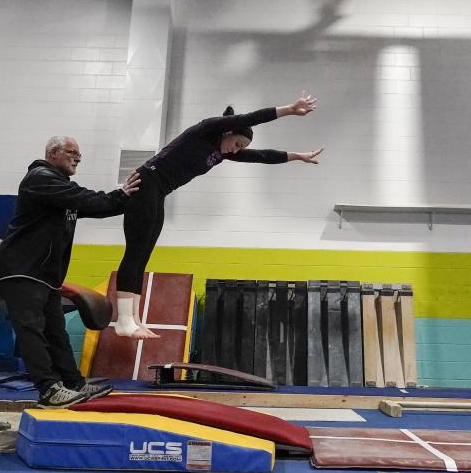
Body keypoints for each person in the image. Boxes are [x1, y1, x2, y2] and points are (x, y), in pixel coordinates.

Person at [112, 92, 324, 339]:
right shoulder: (208, 128)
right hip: (146, 182)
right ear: (228, 131)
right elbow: (252, 117)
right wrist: (289, 109)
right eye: (238, 144)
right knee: (136, 251)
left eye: (241, 148)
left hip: (158, 191)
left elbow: (262, 156)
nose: (237, 151)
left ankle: (134, 319)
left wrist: (296, 156)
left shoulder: (222, 152)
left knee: (144, 253)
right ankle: (123, 321)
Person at [0, 136, 141, 408]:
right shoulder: (40, 178)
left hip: (45, 275)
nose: (78, 157)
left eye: (79, 153)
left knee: (56, 332)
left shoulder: (60, 188)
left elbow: (95, 206)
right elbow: (86, 199)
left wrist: (126, 199)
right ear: (53, 153)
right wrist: (120, 194)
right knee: (32, 331)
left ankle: (72, 383)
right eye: (71, 152)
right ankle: (49, 390)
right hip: (22, 270)